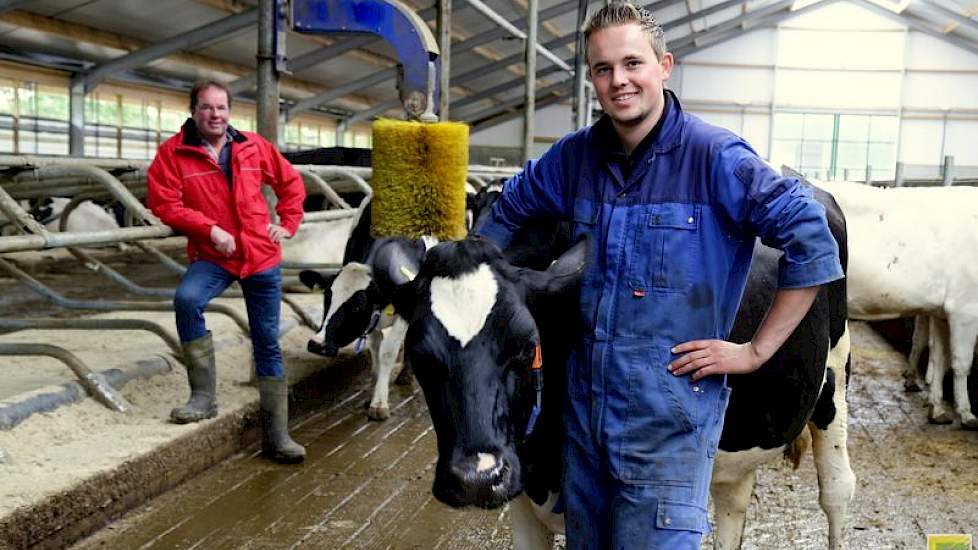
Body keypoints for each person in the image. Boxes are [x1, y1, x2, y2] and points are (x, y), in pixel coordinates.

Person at [475, 3, 843, 548]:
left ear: (664, 66)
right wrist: (471, 284)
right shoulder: (573, 158)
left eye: (632, 63)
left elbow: (811, 240)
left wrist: (754, 351)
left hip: (668, 422)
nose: (618, 80)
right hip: (582, 416)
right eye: (603, 68)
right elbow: (505, 212)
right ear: (592, 78)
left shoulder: (715, 157)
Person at [147, 80, 307, 464]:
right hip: (215, 254)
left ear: (229, 111)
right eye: (206, 108)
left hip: (260, 255)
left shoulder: (253, 146)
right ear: (193, 111)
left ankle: (277, 435)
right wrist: (209, 229)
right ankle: (203, 397)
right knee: (187, 300)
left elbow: (290, 184)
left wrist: (287, 223)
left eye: (221, 108)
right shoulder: (173, 153)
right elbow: (164, 203)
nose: (214, 115)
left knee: (267, 340)